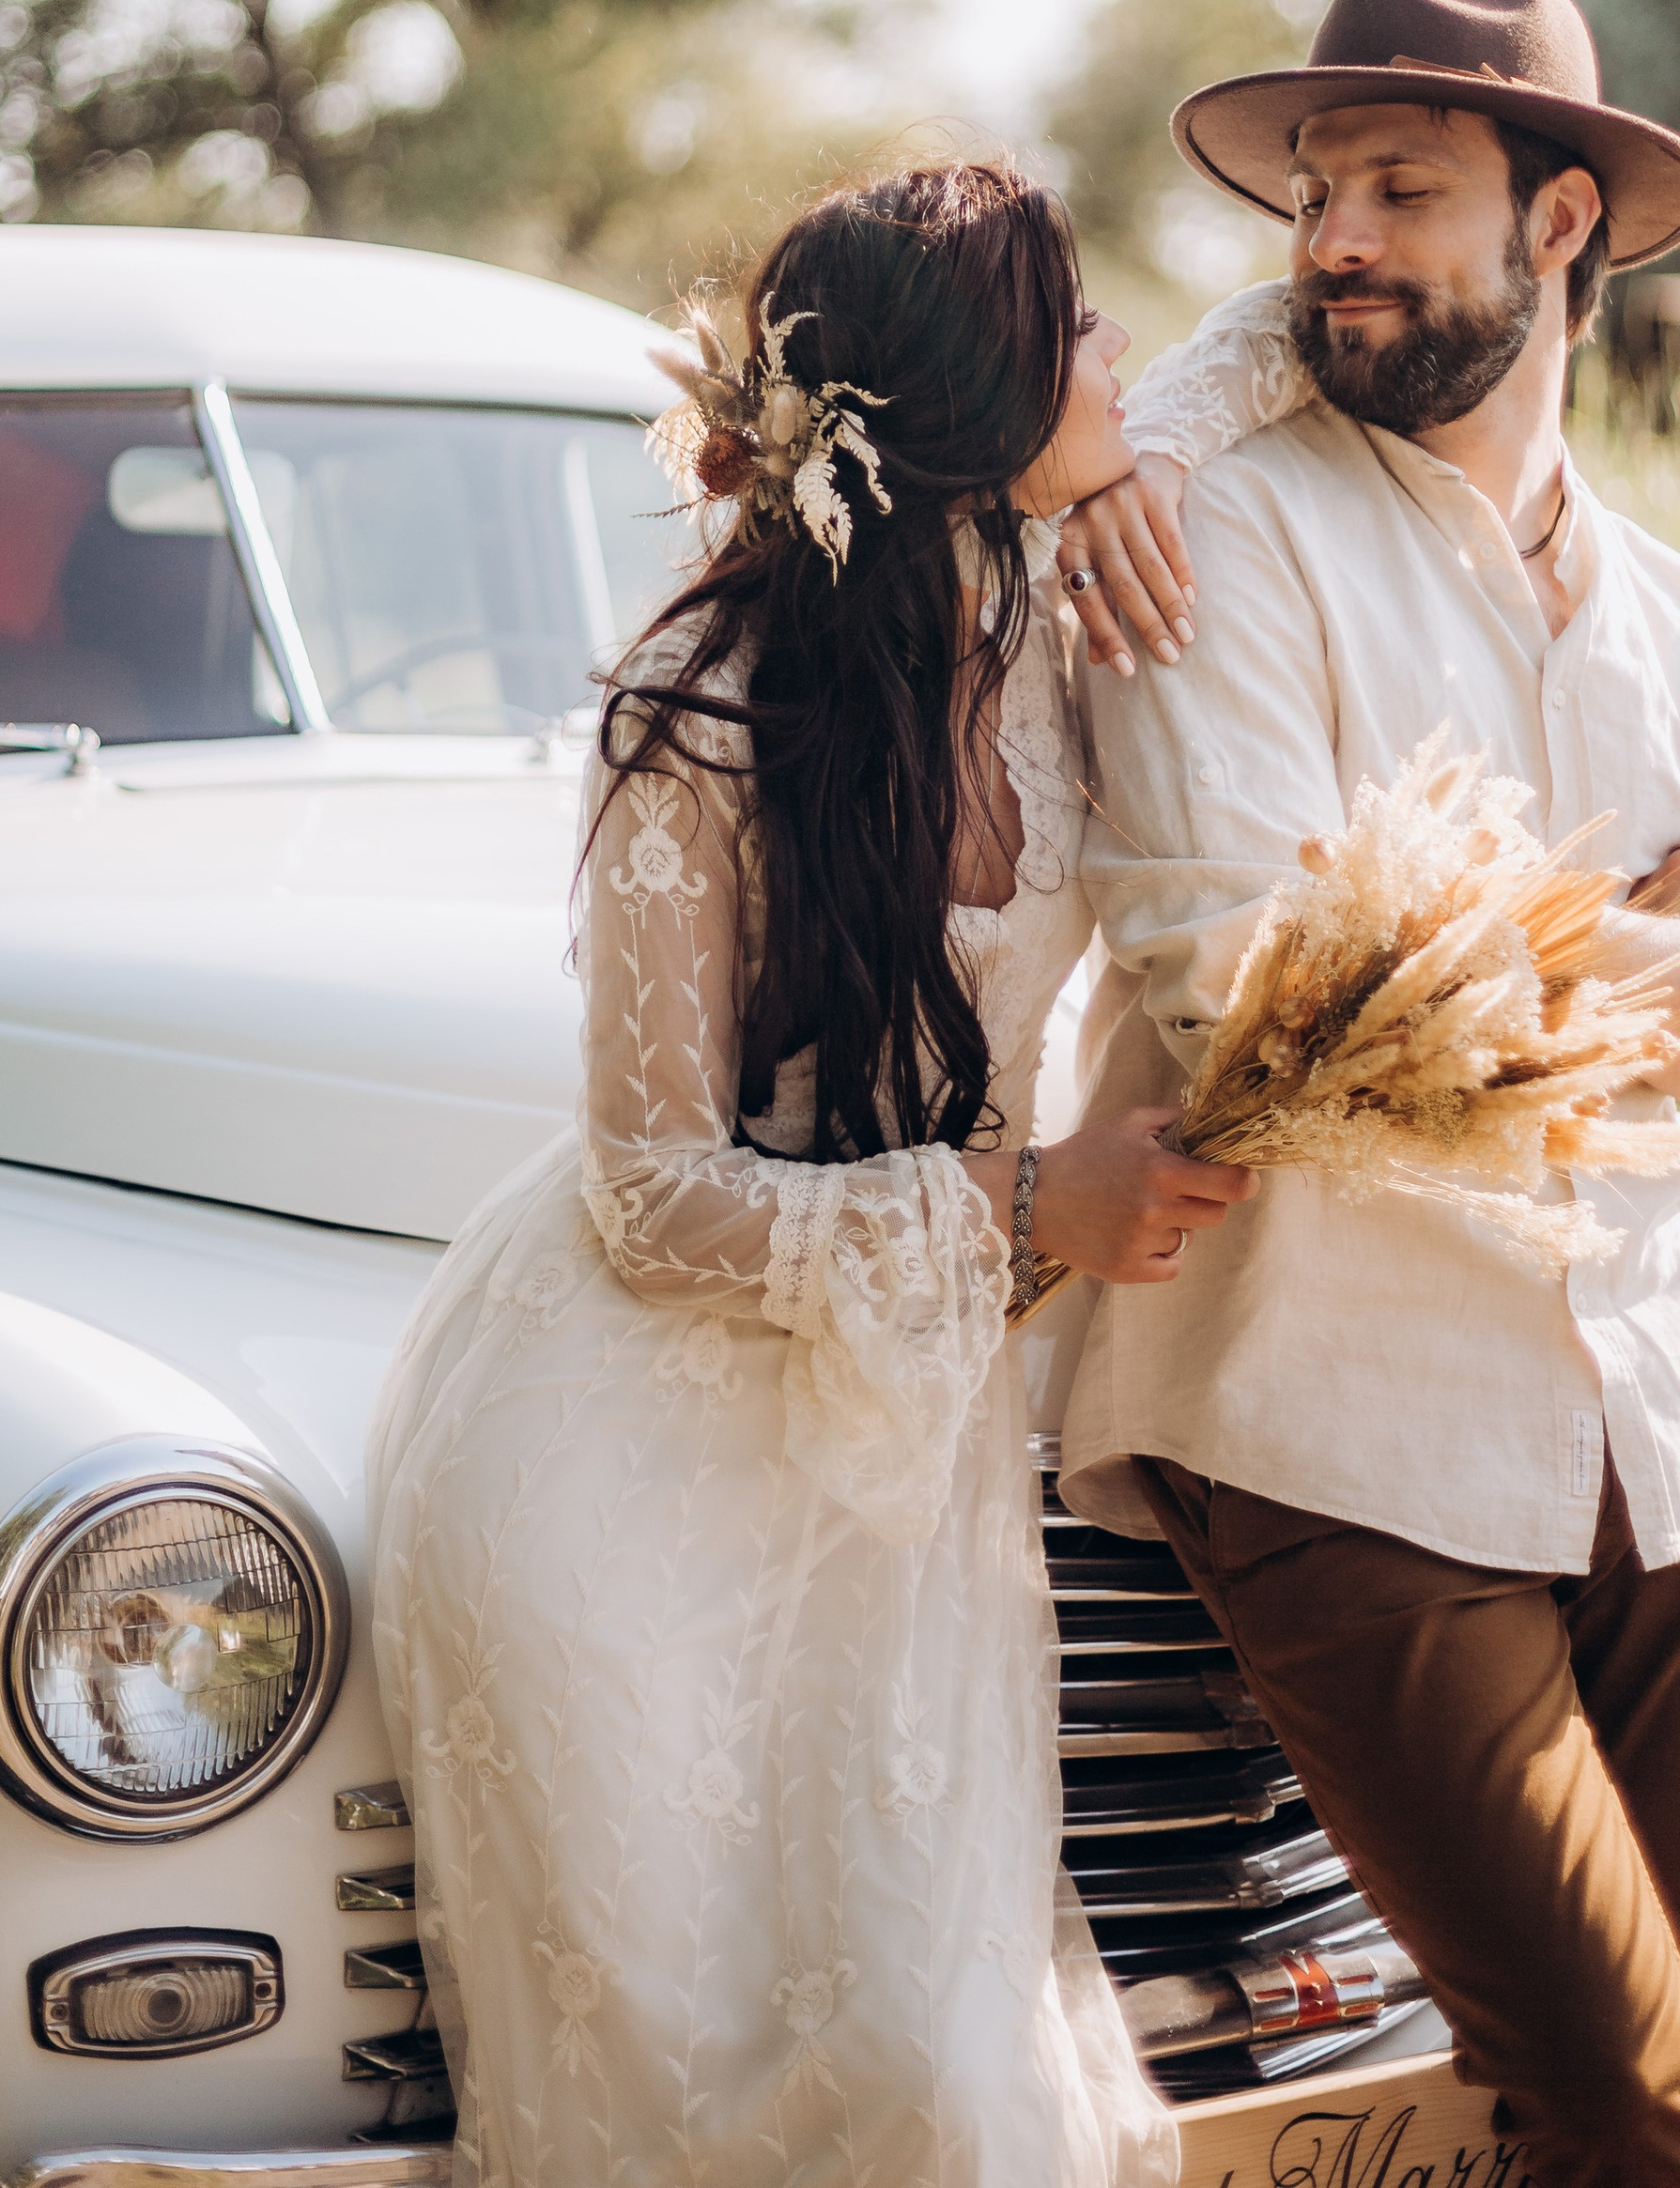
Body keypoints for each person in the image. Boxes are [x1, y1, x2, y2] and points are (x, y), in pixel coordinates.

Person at [1051, 0, 1680, 2188]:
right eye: (1318, 189)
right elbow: (1267, 993)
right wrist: (1658, 938)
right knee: (1645, 2120)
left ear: (1557, 227)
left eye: (1402, 187)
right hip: (1342, 1413)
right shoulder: (1209, 543)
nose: (1332, 235)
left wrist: (1464, 928)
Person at [365, 162, 1253, 2188]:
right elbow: (652, 1193)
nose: (1124, 355)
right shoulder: (695, 715)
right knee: (706, 2097)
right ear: (972, 403)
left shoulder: (1041, 642)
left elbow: (1256, 362)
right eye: (1080, 325)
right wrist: (1026, 1217)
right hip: (619, 1480)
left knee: (947, 2078)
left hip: (893, 1464)